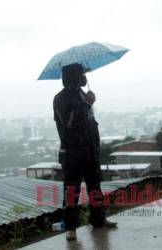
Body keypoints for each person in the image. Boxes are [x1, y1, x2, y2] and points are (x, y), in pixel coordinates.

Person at [53, 63, 117, 241]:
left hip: (89, 151)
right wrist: (86, 104)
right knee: (72, 191)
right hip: (73, 154)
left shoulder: (81, 94)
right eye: (81, 73)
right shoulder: (61, 98)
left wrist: (87, 102)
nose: (85, 77)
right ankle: (71, 227)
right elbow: (70, 123)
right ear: (72, 76)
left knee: (95, 188)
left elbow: (90, 122)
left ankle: (98, 219)